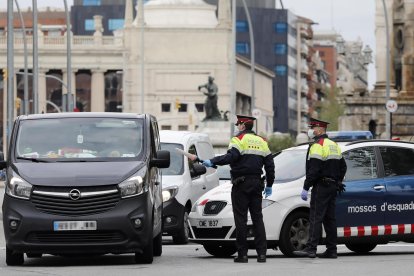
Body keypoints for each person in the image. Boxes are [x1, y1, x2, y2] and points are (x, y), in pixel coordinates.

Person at [202, 115, 275, 263]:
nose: (237, 127)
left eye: (238, 125)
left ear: (242, 125)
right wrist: (269, 185)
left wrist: (212, 161)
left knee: (240, 219)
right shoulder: (262, 141)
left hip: (241, 184)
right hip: (257, 184)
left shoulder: (238, 140)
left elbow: (231, 157)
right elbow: (270, 165)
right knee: (257, 219)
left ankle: (243, 254)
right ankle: (262, 254)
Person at [293, 118, 347, 259]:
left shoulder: (318, 145)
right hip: (333, 186)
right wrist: (338, 181)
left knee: (316, 217)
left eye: (313, 128)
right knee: (330, 219)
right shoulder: (333, 145)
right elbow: (343, 167)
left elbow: (314, 170)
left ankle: (311, 249)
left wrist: (306, 187)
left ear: (320, 130)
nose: (311, 130)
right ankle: (332, 250)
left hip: (321, 186)